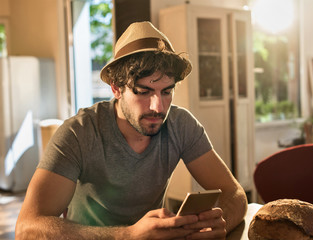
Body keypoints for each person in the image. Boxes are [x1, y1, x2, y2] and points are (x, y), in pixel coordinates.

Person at [16, 21, 248, 239]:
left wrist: (219, 222)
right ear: (116, 89)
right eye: (143, 91)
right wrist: (127, 235)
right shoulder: (79, 133)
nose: (158, 107)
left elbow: (235, 194)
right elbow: (27, 228)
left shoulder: (181, 124)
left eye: (166, 91)